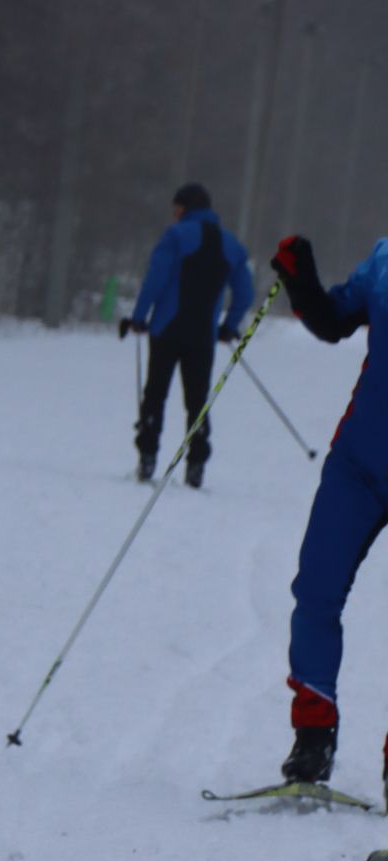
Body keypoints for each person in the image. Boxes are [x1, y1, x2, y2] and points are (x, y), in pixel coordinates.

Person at [270, 232, 388, 787]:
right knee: (315, 592)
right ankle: (313, 737)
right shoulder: (385, 259)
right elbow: (335, 318)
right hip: (360, 465)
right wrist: (301, 280)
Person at [118, 183, 254, 487]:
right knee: (197, 400)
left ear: (187, 207)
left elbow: (155, 279)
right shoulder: (232, 245)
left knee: (155, 394)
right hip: (203, 336)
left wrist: (139, 317)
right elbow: (245, 293)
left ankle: (148, 458)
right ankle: (196, 465)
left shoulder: (175, 236)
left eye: (177, 207)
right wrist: (229, 326)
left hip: (166, 328)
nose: (174, 213)